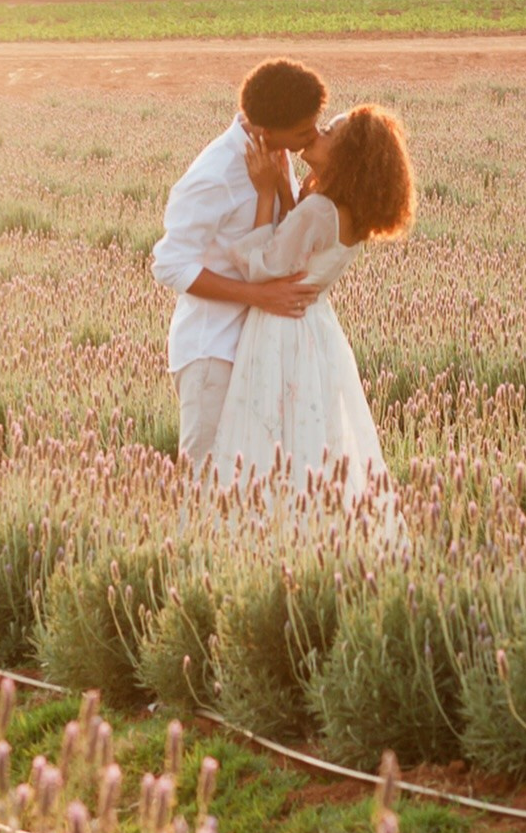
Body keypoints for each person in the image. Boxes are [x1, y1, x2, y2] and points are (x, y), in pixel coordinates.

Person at [210, 104, 416, 505]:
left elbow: (265, 266)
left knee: (269, 438)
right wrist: (290, 198)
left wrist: (266, 194)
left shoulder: (320, 210)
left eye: (328, 133)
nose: (316, 133)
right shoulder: (348, 214)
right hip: (316, 329)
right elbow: (299, 254)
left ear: (347, 158)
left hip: (280, 329)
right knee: (309, 437)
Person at [151, 59, 327, 469]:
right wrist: (258, 295)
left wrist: (282, 191)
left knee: (253, 482)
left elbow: (282, 243)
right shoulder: (214, 175)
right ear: (266, 131)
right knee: (207, 480)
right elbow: (170, 265)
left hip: (258, 346)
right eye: (303, 131)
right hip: (212, 352)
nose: (312, 137)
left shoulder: (274, 156)